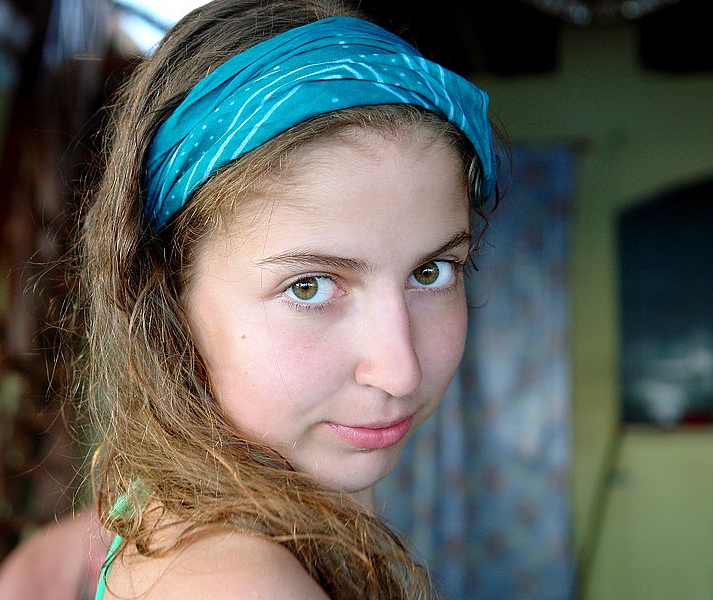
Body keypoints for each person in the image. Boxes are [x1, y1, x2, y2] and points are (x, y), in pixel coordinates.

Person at [76, 1, 499, 598]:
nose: (400, 372)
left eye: (431, 272)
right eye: (310, 287)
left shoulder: (191, 512)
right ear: (168, 296)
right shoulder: (236, 582)